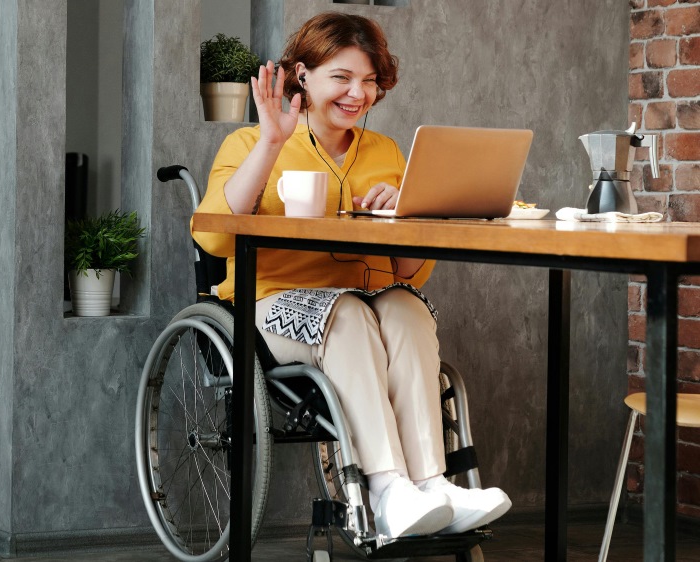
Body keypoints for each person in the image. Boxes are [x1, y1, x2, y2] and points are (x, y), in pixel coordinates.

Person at [191, 12, 511, 539]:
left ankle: (431, 486)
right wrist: (272, 143)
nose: (357, 93)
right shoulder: (250, 144)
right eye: (341, 77)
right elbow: (215, 239)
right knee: (350, 313)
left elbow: (410, 272)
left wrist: (404, 215)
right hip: (271, 308)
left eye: (369, 81)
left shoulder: (385, 153)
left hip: (364, 307)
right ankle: (387, 489)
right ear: (304, 75)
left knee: (406, 306)